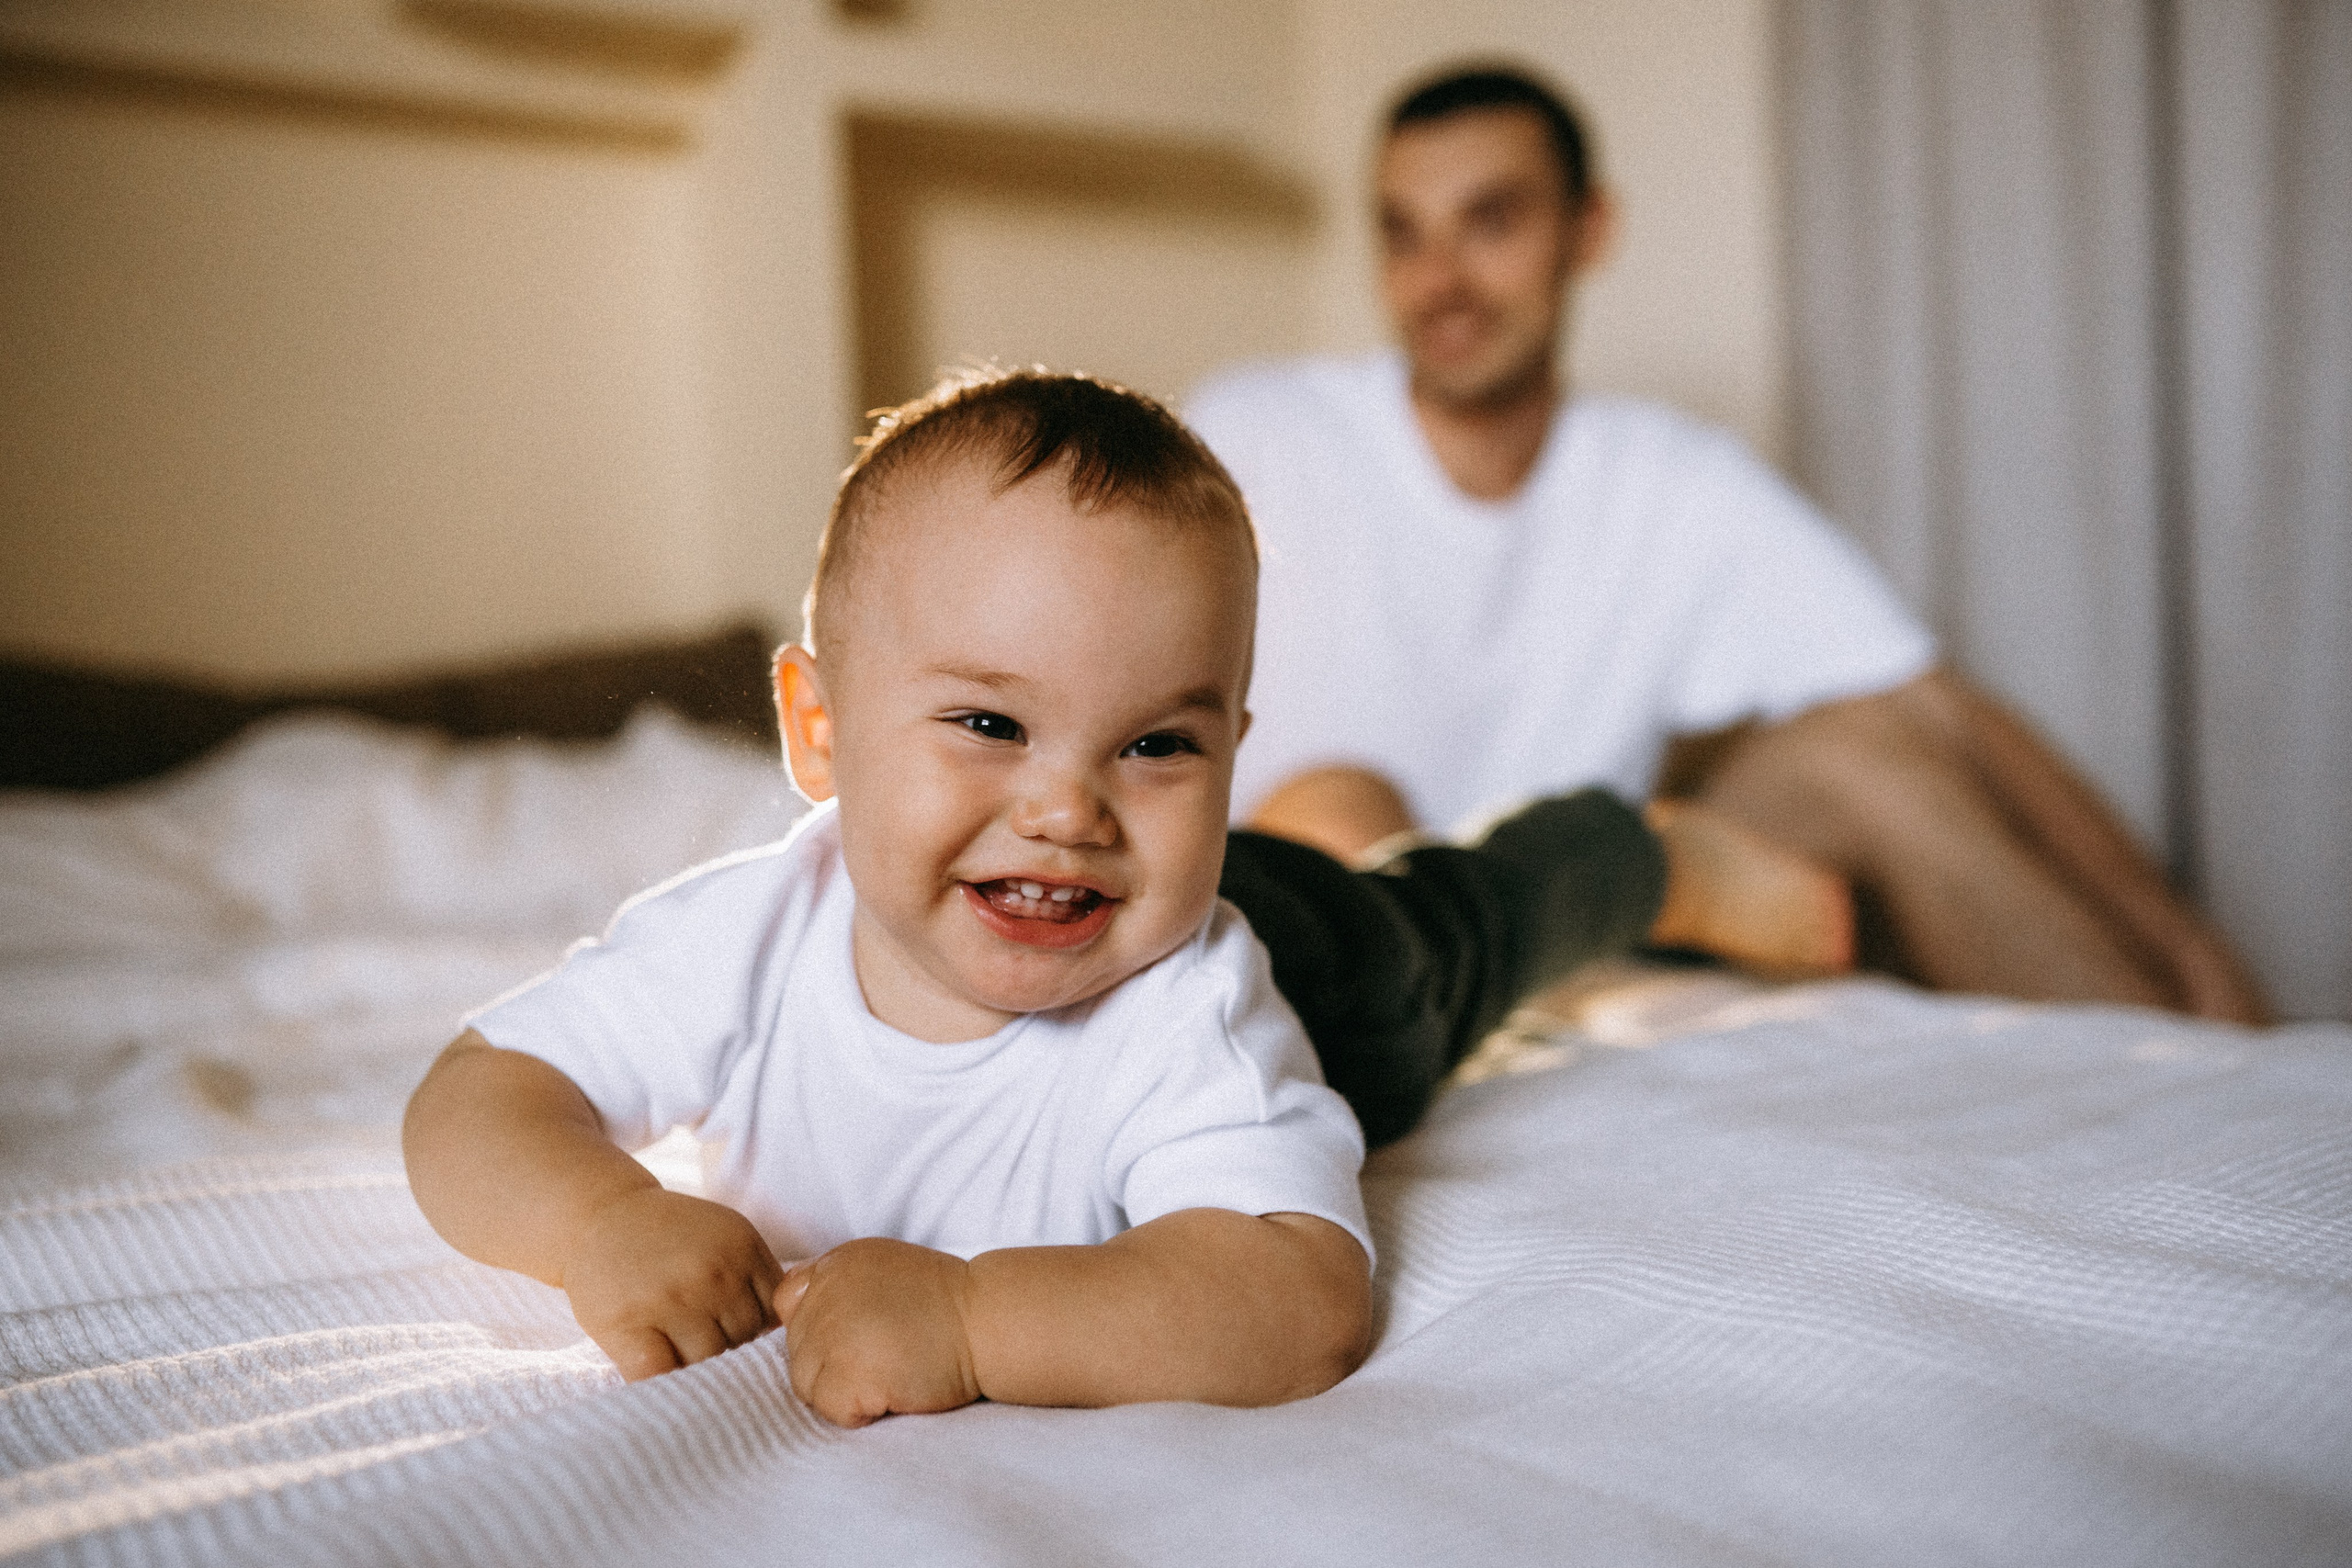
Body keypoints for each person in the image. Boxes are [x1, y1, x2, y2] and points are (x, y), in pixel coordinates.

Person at [401, 369, 1843, 1429]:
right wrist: (596, 1220)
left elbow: (1294, 1293)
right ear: (819, 727)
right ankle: (1332, 809)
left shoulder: (1190, 1009)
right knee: (1333, 838)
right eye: (987, 723)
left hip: (1323, 965)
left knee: (1464, 918)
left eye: (1159, 740)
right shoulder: (749, 933)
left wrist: (972, 1315)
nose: (1068, 806)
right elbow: (478, 1092)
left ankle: (1652, 851)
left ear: (1221, 741)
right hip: (1200, 871)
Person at [1186, 65, 2269, 1025]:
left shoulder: (1667, 477)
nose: (1440, 281)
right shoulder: (1256, 432)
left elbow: (1938, 707)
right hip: (1328, 921)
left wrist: (2192, 954)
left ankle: (2184, 1064)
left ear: (1588, 230)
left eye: (1491, 221)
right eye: (1403, 232)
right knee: (1340, 801)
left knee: (1865, 752)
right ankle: (1408, 1011)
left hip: (1578, 918)